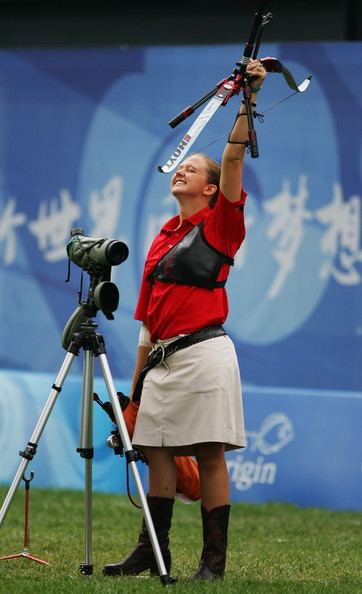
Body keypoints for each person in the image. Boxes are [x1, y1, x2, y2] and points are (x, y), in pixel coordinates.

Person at [103, 59, 267, 580]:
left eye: (193, 169)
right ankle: (153, 551)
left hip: (204, 353)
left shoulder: (221, 225)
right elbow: (147, 324)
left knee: (210, 453)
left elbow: (233, 157)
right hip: (162, 360)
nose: (183, 170)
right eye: (183, 167)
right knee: (155, 450)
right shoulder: (160, 236)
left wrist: (248, 97)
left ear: (213, 190)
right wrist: (132, 396)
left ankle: (212, 564)